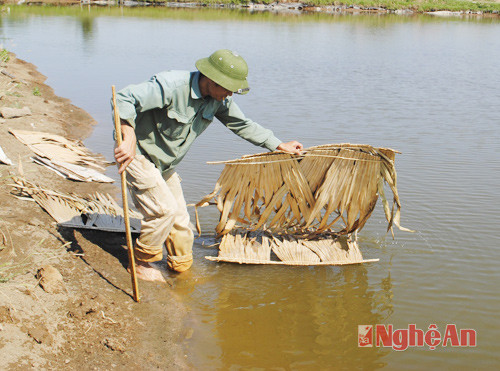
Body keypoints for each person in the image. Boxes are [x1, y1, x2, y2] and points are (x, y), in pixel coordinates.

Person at [113, 49, 303, 282]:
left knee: (181, 223)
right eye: (227, 87)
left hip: (165, 162)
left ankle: (180, 268)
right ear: (211, 80)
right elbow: (123, 98)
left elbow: (242, 124)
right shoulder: (171, 85)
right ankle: (140, 261)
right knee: (163, 210)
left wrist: (278, 144)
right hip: (138, 153)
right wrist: (128, 134)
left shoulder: (219, 99)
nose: (230, 93)